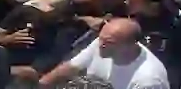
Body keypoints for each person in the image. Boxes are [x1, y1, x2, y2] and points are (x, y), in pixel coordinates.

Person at [41, 18, 170, 89]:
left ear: (129, 46)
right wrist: (40, 85)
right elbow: (70, 68)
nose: (100, 44)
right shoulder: (103, 43)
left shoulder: (149, 80)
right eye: (100, 38)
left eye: (108, 42)